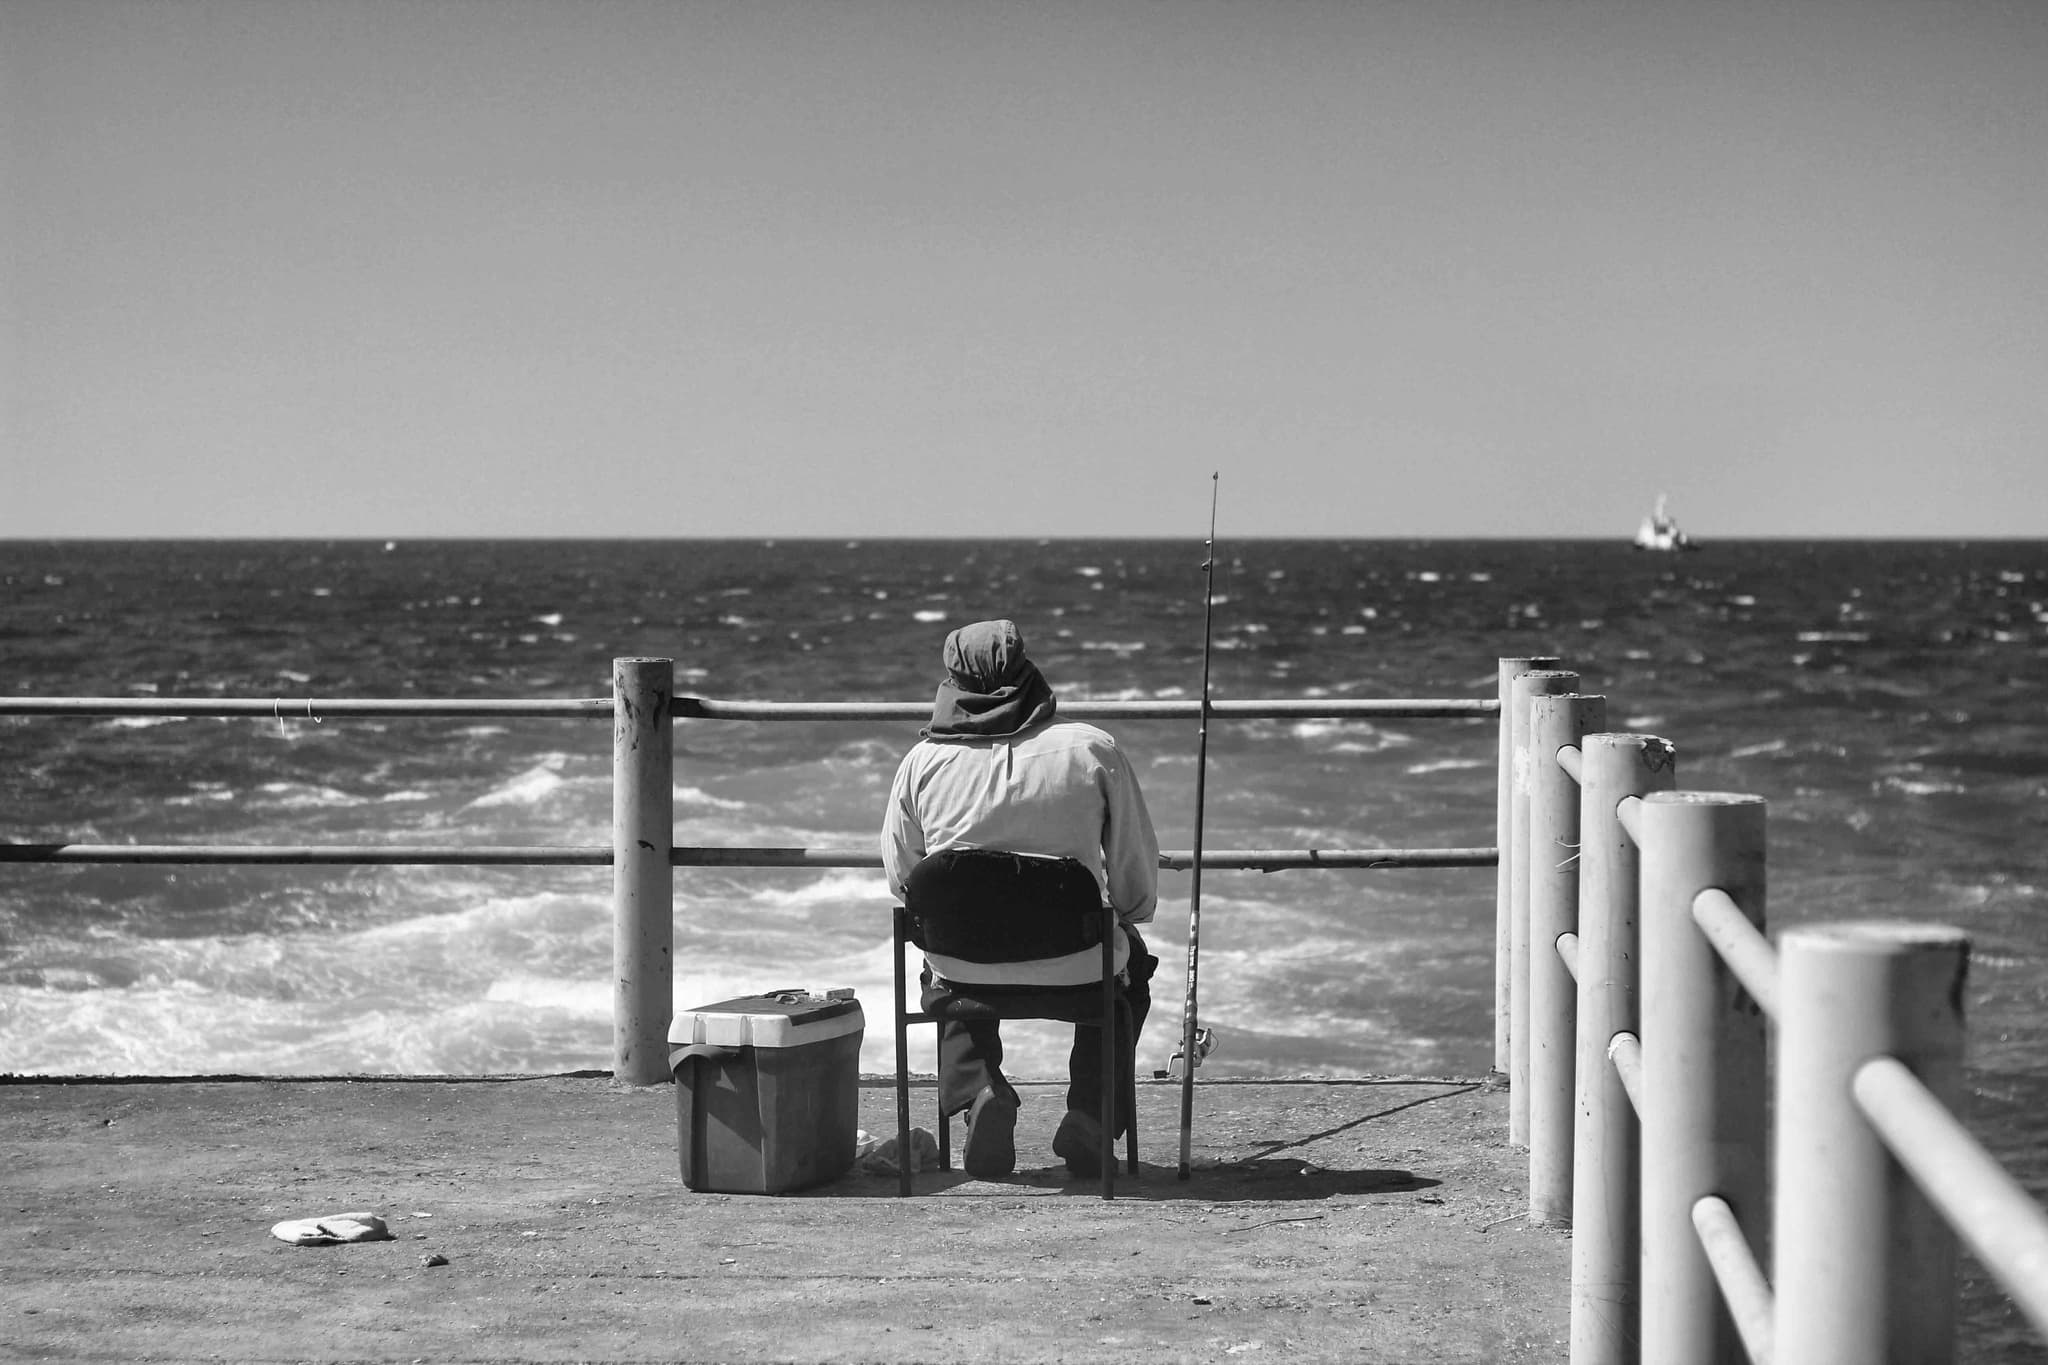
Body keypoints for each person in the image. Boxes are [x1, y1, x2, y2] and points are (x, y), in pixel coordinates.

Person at [881, 618, 1161, 1179]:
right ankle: (1089, 1115)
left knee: (946, 963)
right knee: (1130, 976)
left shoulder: (922, 763)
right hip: (1080, 966)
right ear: (1029, 673)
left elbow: (903, 881)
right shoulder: (1091, 748)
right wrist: (1128, 919)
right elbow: (1133, 877)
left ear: (951, 683)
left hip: (965, 970)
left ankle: (981, 1090)